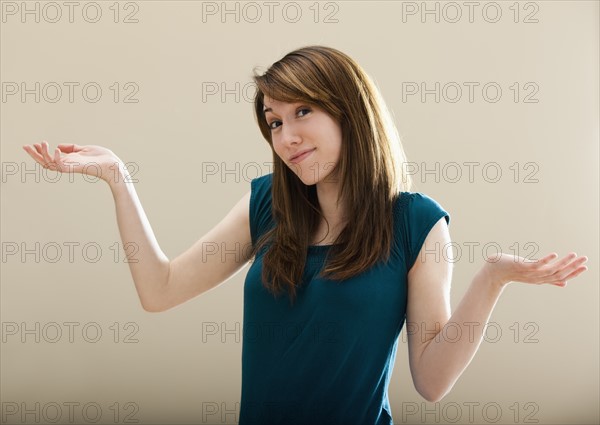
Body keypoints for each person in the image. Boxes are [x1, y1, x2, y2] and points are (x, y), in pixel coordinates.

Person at [23, 45, 588, 425]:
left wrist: (492, 280)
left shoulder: (417, 222)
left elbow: (432, 380)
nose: (286, 136)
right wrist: (118, 179)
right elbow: (161, 289)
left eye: (303, 112)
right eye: (274, 121)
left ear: (350, 113)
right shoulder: (267, 205)